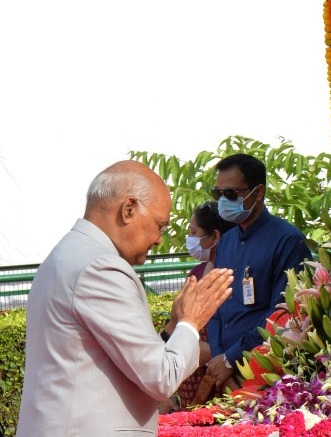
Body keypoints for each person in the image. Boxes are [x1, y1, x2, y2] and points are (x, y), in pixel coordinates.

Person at [16, 160, 234, 437]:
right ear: (129, 209)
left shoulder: (68, 253)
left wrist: (170, 330)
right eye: (160, 226)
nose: (158, 239)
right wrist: (191, 323)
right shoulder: (102, 267)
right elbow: (161, 378)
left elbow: (124, 356)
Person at [205, 153, 311, 391]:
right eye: (218, 194)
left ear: (258, 192)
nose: (222, 201)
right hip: (224, 373)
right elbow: (215, 309)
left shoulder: (288, 241)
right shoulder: (225, 243)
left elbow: (282, 316)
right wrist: (220, 358)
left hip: (268, 374)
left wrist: (231, 359)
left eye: (230, 194)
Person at [159, 201, 236, 410]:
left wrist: (214, 353)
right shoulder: (196, 273)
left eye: (194, 232)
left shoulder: (230, 275)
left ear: (215, 236)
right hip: (191, 376)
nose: (189, 239)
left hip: (220, 371)